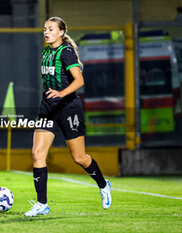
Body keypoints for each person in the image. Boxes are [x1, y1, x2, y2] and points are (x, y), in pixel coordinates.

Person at [24, 16, 112, 217]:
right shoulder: (46, 51)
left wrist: (61, 94)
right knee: (37, 153)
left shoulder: (67, 52)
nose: (46, 32)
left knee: (79, 158)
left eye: (51, 29)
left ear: (61, 32)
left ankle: (103, 184)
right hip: (48, 109)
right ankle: (42, 204)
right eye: (45, 29)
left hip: (68, 108)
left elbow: (79, 80)